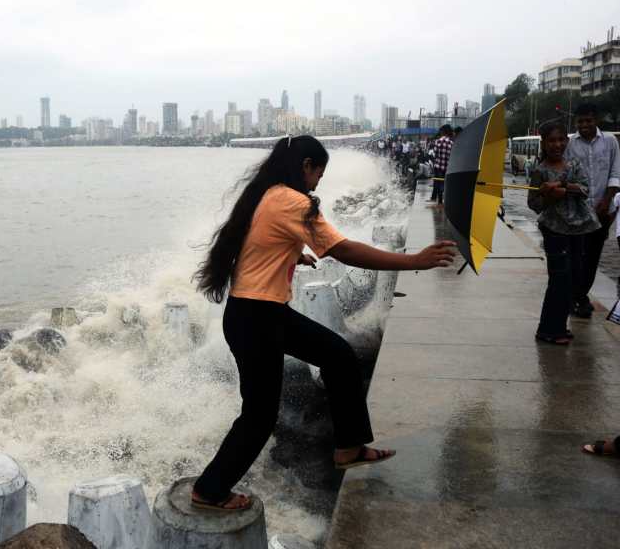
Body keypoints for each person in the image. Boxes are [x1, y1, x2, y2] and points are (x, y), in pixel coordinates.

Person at [191, 135, 456, 510]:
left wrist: (290, 255)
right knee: (259, 416)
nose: (318, 182)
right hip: (258, 318)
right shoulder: (294, 201)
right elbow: (343, 250)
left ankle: (348, 447)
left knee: (338, 356)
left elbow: (256, 243)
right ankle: (210, 490)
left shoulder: (266, 194)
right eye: (318, 173)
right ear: (305, 166)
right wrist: (414, 261)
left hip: (255, 314)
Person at [528, 121, 601, 345]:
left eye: (561, 140)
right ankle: (549, 329)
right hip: (554, 230)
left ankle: (559, 325)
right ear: (544, 143)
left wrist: (563, 187)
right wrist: (548, 194)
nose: (557, 144)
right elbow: (534, 204)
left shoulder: (574, 164)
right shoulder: (539, 171)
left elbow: (585, 188)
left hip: (579, 229)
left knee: (573, 277)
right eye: (551, 140)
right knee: (558, 278)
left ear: (567, 141)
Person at [565, 103, 620, 317]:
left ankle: (580, 295)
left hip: (602, 212)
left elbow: (615, 174)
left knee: (592, 259)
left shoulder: (610, 142)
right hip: (577, 212)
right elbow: (567, 174)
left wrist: (606, 202)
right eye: (580, 121)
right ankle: (577, 297)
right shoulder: (570, 144)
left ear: (596, 120)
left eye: (588, 120)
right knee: (577, 257)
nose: (584, 125)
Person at [428, 125, 454, 205]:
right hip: (446, 167)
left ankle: (439, 200)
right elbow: (451, 155)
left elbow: (435, 154)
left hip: (438, 166)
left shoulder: (438, 141)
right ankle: (443, 199)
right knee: (444, 182)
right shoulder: (451, 142)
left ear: (443, 132)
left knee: (438, 182)